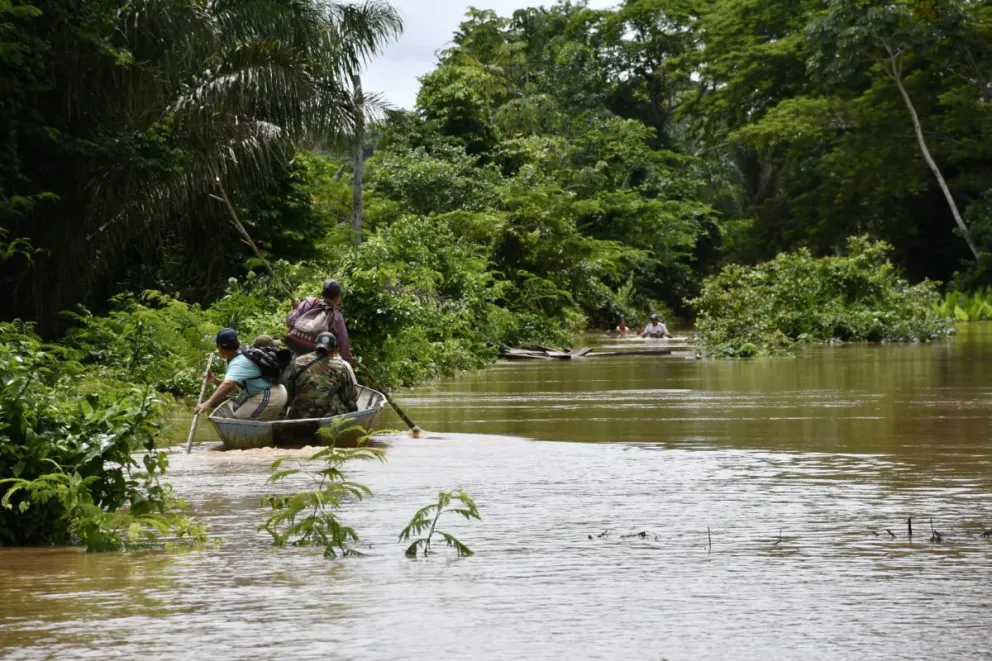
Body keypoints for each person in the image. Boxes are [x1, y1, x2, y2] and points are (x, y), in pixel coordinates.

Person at [193, 328, 288, 421]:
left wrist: (207, 403)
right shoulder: (234, 357)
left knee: (237, 421)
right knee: (235, 417)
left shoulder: (239, 361)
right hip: (267, 393)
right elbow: (233, 385)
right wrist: (214, 380)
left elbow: (229, 384)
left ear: (219, 346)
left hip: (270, 395)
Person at [285, 279, 356, 366]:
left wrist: (296, 308)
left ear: (322, 293)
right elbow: (343, 343)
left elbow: (289, 322)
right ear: (337, 297)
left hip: (293, 349)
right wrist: (348, 360)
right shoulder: (336, 316)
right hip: (315, 360)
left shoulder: (309, 302)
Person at [286, 331, 356, 419]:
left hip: (300, 412)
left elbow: (290, 388)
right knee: (351, 405)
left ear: (315, 346)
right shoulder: (340, 366)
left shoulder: (299, 361)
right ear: (335, 349)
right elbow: (347, 395)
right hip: (329, 415)